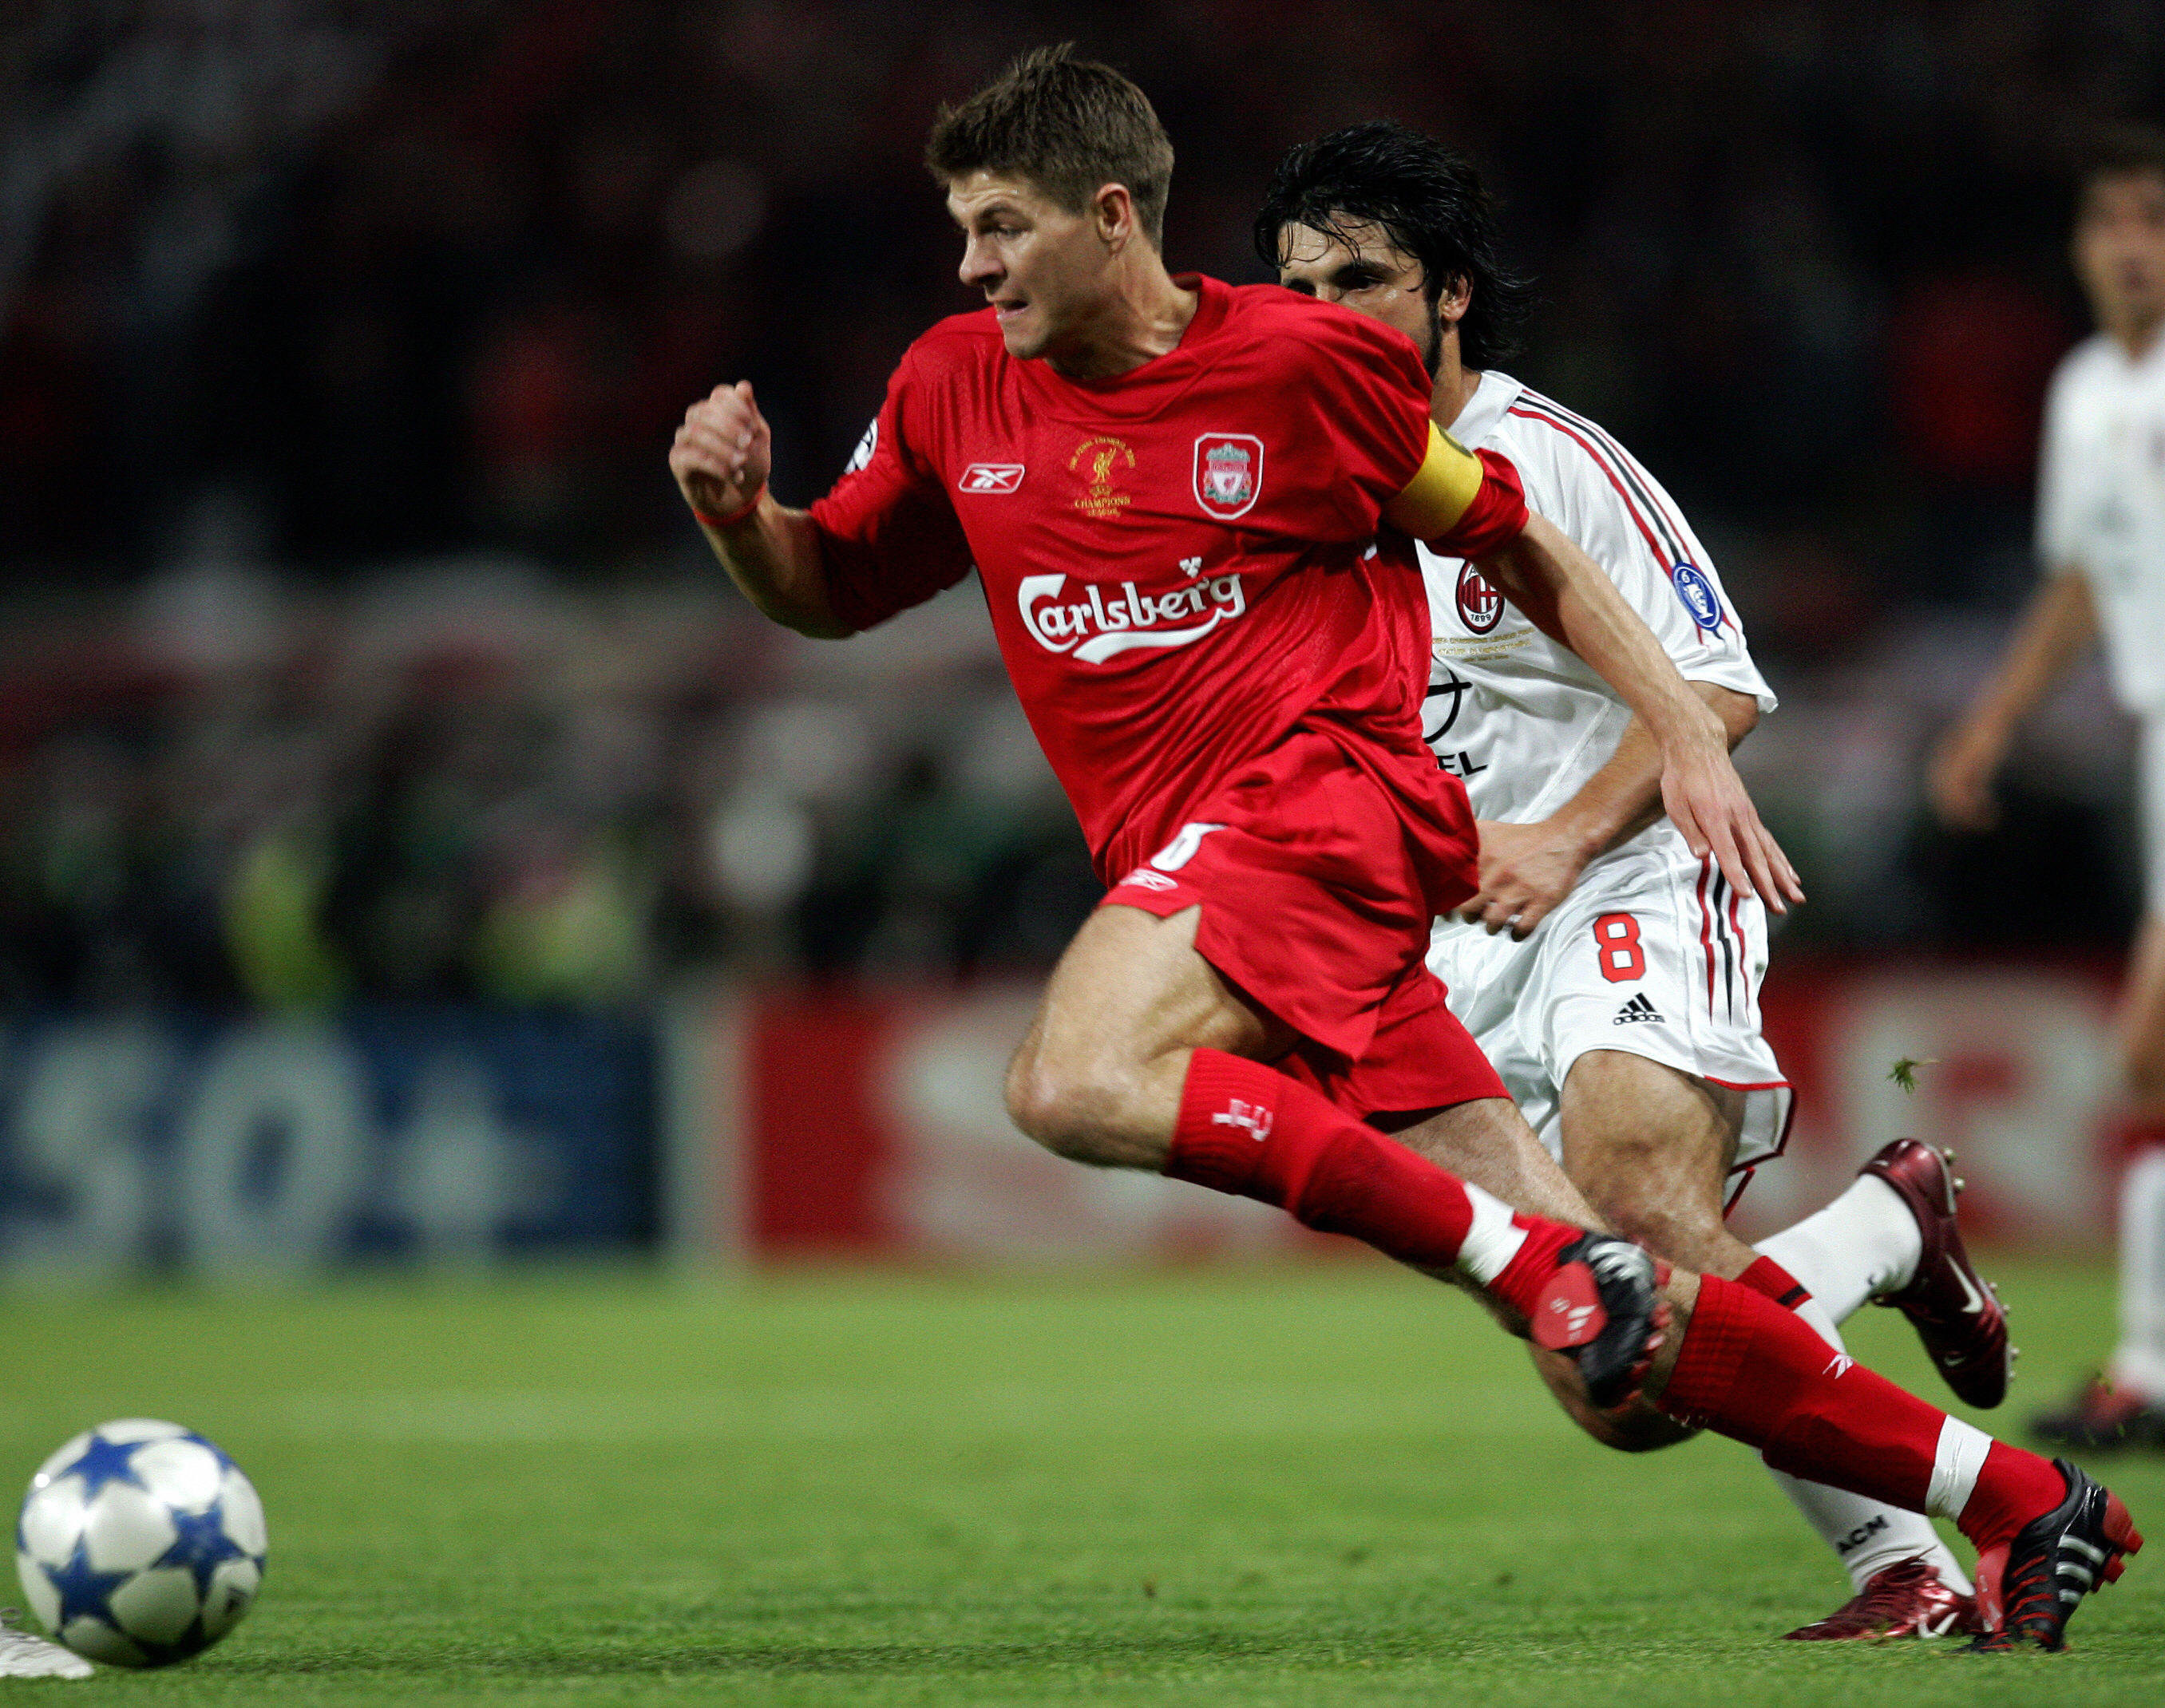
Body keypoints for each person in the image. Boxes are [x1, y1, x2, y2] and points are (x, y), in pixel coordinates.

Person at [670, 46, 2141, 1649]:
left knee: (1069, 1074)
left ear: (1109, 216)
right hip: (1368, 910)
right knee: (1628, 1375)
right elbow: (831, 585)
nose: (971, 264)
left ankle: (1592, 1305)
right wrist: (742, 519)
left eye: (1001, 226)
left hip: (1326, 816)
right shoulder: (955, 381)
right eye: (961, 230)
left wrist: (1693, 738)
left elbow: (1525, 538)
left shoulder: (1303, 371)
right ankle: (2015, 1493)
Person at [1258, 120, 2013, 1642]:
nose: (1332, 311)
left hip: (1635, 873)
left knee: (1645, 1222)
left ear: (1451, 293)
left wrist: (1564, 840)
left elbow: (1718, 689)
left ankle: (1907, 1565)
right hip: (1461, 953)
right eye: (1299, 283)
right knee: (1622, 1385)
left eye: (1366, 278)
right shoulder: (1293, 485)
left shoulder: (1553, 461)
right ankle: (1884, 1232)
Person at [1932, 123, 2165, 1453]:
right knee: (2154, 1057)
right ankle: (2147, 1363)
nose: (2130, 246)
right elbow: (2080, 580)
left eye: (2151, 217)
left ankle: (2146, 1365)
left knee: (2146, 1049)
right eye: (2109, 221)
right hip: (2156, 737)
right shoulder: (2085, 392)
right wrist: (1992, 722)